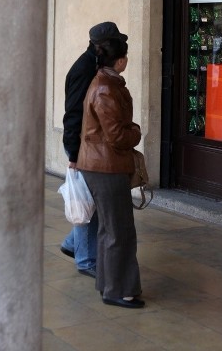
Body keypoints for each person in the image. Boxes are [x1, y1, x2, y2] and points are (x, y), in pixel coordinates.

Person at [76, 36, 144, 309]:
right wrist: (136, 132)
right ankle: (119, 291)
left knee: (109, 229)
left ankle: (108, 285)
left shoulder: (105, 83)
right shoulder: (106, 88)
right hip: (106, 167)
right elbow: (116, 135)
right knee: (120, 231)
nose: (128, 60)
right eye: (126, 56)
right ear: (119, 60)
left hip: (101, 165)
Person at [60, 22, 128, 278]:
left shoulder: (96, 64)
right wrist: (73, 153)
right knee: (89, 203)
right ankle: (86, 260)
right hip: (84, 147)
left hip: (93, 147)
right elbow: (74, 113)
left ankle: (73, 244)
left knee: (93, 202)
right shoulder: (85, 69)